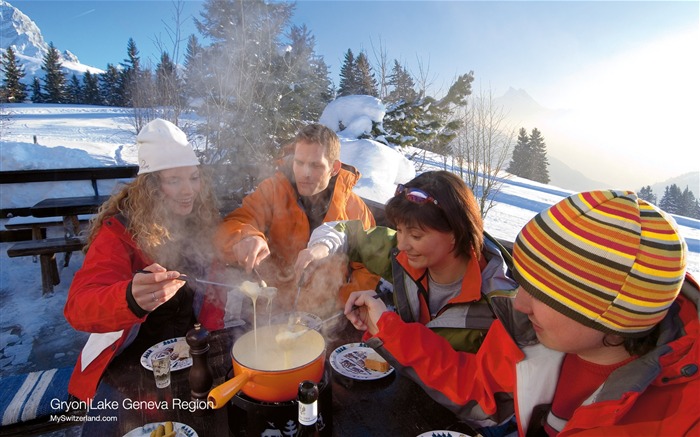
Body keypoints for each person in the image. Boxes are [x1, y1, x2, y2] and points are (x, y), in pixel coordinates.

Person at [344, 190, 698, 435]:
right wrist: (386, 326)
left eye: (542, 293)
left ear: (608, 315)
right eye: (523, 282)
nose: (519, 302)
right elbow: (473, 385)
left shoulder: (681, 416)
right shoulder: (530, 331)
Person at [64, 118, 223, 401]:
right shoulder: (120, 232)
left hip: (188, 355)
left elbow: (211, 290)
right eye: (174, 180)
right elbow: (78, 307)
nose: (189, 191)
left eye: (193, 177)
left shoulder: (201, 219)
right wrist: (129, 298)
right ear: (151, 185)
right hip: (131, 366)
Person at [296, 170, 518, 353]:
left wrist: (389, 328)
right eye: (399, 231)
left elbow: (478, 387)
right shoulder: (402, 256)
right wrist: (320, 248)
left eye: (416, 236)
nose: (402, 244)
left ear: (455, 233)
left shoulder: (497, 308)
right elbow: (346, 232)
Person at [213, 123, 380, 315]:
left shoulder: (354, 208)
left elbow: (369, 264)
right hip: (272, 306)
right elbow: (237, 222)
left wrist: (344, 299)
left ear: (334, 168)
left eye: (316, 165)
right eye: (299, 163)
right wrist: (244, 237)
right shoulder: (273, 190)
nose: (305, 173)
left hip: (326, 314)